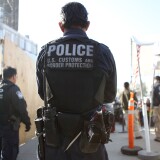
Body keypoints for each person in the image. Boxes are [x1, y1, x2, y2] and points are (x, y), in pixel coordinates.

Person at [36, 2, 117, 160]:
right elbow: (109, 96)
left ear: (61, 25)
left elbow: (42, 93)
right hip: (91, 143)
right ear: (87, 25)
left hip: (55, 144)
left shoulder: (45, 53)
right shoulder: (103, 52)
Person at [0, 66, 31, 160]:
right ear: (13, 77)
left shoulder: (1, 88)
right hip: (9, 128)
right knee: (10, 154)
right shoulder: (14, 89)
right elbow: (21, 108)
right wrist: (27, 123)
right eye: (16, 77)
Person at [152, 76, 160, 142]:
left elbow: (152, 97)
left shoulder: (154, 86)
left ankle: (158, 136)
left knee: (157, 121)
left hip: (157, 106)